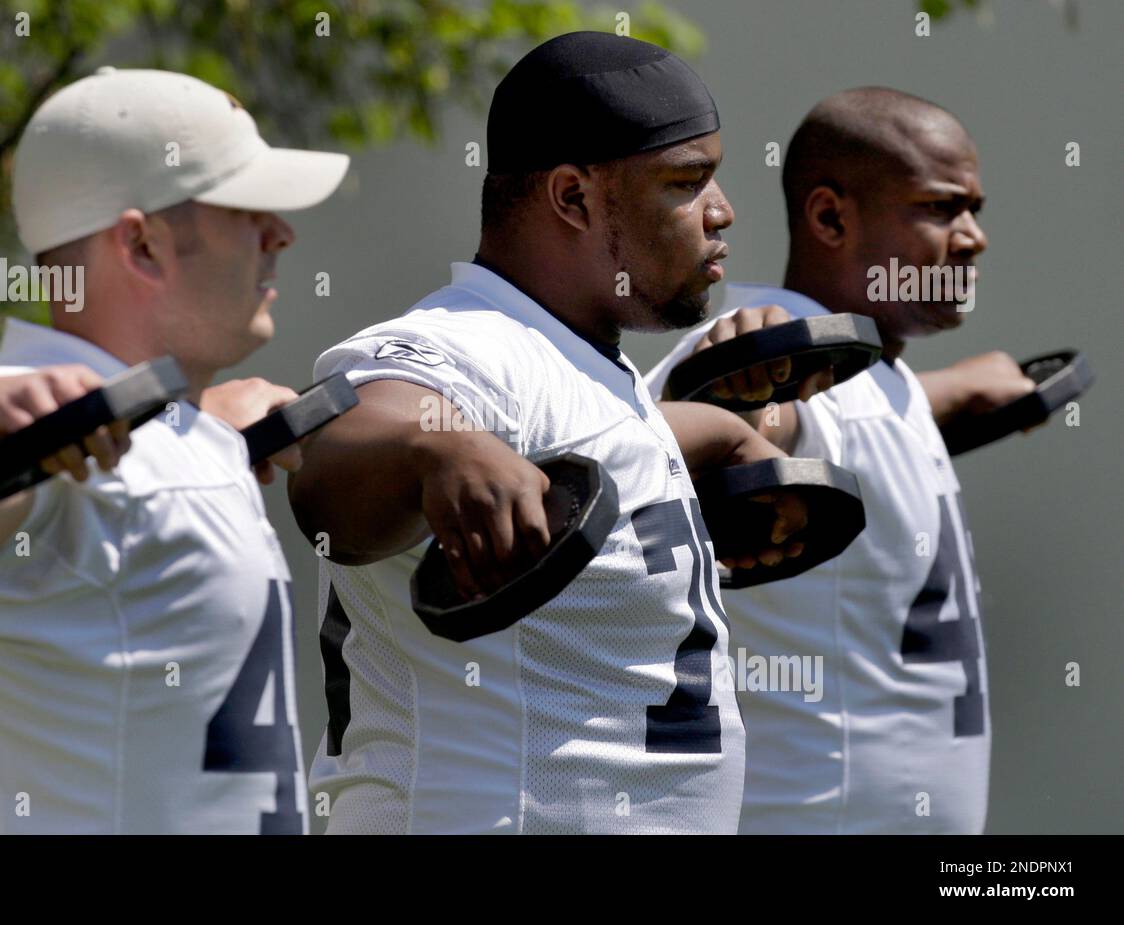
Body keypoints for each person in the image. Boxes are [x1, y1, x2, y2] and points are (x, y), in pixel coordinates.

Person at [288, 32, 816, 834]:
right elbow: (340, 453)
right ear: (573, 198)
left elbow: (585, 441)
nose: (722, 209)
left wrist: (723, 433)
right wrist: (439, 448)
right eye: (687, 181)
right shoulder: (470, 343)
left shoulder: (576, 363)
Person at [0, 67, 348, 834]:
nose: (280, 233)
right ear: (140, 244)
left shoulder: (166, 429)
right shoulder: (13, 410)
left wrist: (207, 435)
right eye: (244, 208)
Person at [645, 87, 1033, 833]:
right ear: (830, 217)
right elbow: (753, 427)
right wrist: (740, 402)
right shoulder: (771, 347)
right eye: (942, 207)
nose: (973, 235)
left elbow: (856, 420)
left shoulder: (884, 377)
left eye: (975, 209)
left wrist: (951, 391)